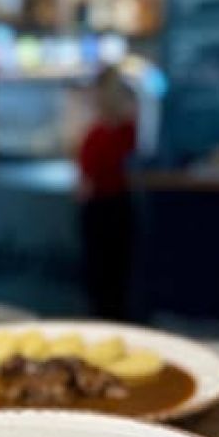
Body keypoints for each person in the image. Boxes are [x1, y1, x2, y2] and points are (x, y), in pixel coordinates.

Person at [77, 67, 137, 318]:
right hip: (120, 209)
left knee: (101, 281)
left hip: (102, 211)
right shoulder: (131, 131)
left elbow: (85, 184)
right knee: (116, 282)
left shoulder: (99, 135)